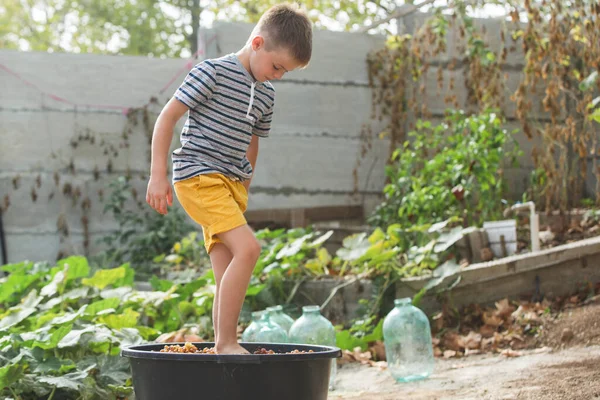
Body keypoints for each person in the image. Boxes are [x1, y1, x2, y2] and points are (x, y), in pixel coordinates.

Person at [145, 3, 313, 354]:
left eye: (286, 72)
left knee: (226, 270)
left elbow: (252, 141)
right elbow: (166, 118)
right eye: (277, 66)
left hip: (230, 185)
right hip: (198, 176)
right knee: (249, 249)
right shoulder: (213, 73)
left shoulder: (266, 93)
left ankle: (221, 350)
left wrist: (243, 187)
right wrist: (157, 174)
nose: (278, 75)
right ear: (256, 43)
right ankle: (226, 343)